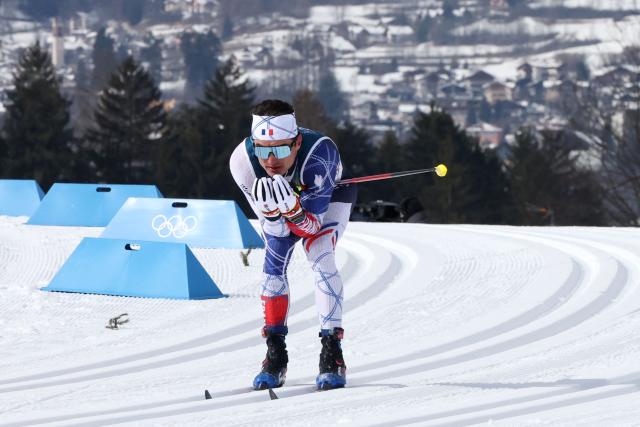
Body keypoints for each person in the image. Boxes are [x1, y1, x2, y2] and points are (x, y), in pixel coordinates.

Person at [229, 99, 357, 391]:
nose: (271, 160)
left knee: (320, 253)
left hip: (331, 194)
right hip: (289, 206)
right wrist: (276, 213)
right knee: (273, 263)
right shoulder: (242, 163)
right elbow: (275, 233)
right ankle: (275, 355)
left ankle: (332, 354)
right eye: (263, 149)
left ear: (297, 142)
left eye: (281, 149)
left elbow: (310, 226)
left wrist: (293, 209)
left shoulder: (320, 154)